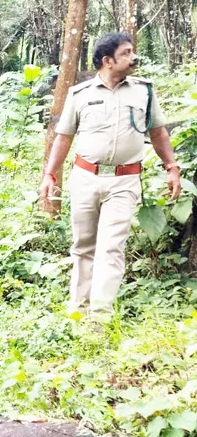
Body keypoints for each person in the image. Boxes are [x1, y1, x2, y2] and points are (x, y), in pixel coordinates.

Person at [40, 32, 181, 318]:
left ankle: (100, 316)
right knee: (83, 246)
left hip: (125, 180)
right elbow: (63, 138)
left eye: (132, 52)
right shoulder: (80, 95)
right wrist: (50, 175)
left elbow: (158, 133)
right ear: (108, 60)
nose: (133, 58)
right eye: (126, 53)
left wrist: (172, 168)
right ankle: (78, 310)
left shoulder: (144, 91)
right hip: (85, 178)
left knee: (111, 247)